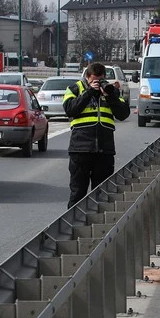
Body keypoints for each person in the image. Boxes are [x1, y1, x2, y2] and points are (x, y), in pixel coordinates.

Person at [62, 62, 131, 208]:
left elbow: (123, 114)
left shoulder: (111, 91)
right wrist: (89, 93)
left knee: (103, 194)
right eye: (94, 80)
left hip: (104, 150)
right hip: (80, 149)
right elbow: (70, 110)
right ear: (87, 77)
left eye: (100, 79)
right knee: (78, 193)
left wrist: (110, 96)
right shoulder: (75, 89)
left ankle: (100, 227)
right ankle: (74, 227)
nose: (98, 83)